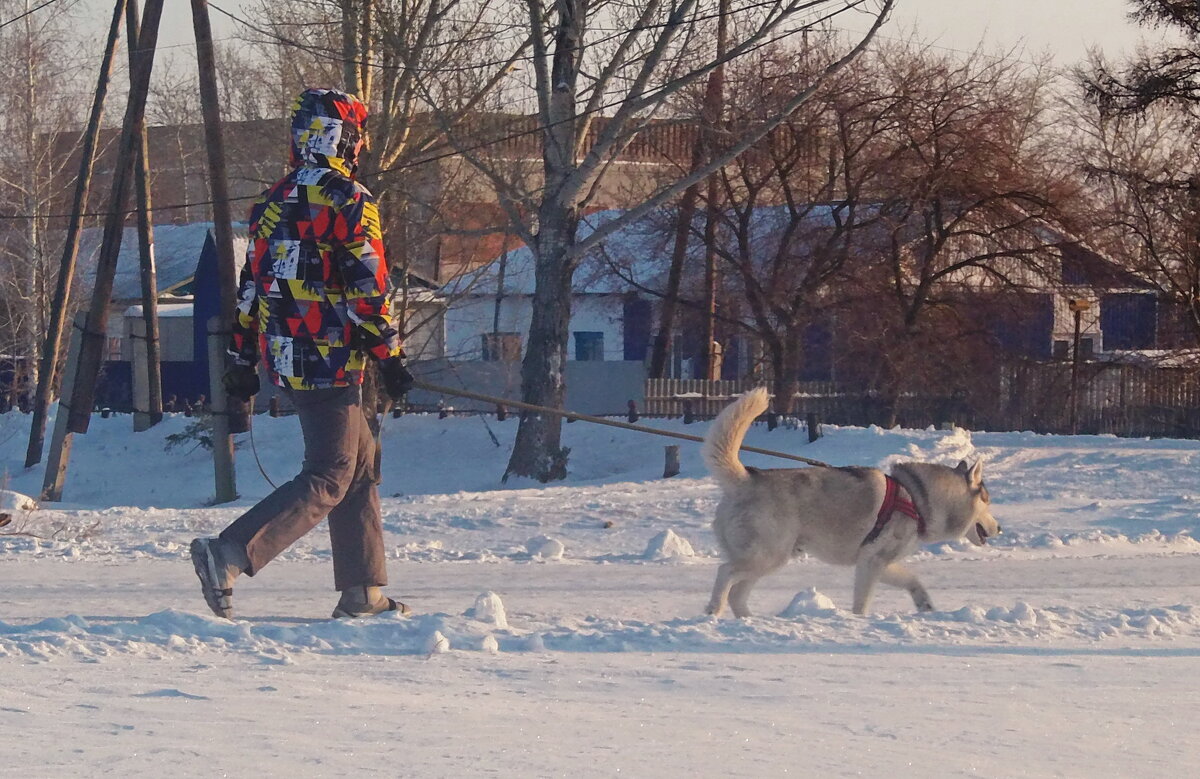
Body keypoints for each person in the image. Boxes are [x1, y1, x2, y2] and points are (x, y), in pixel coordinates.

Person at [190, 88, 414, 620]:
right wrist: (391, 355)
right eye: (357, 135)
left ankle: (364, 592)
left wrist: (242, 360)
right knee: (332, 472)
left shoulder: (274, 201)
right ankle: (229, 552)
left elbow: (251, 288)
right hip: (331, 358)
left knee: (359, 466)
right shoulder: (350, 200)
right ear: (345, 138)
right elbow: (369, 289)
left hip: (287, 356)